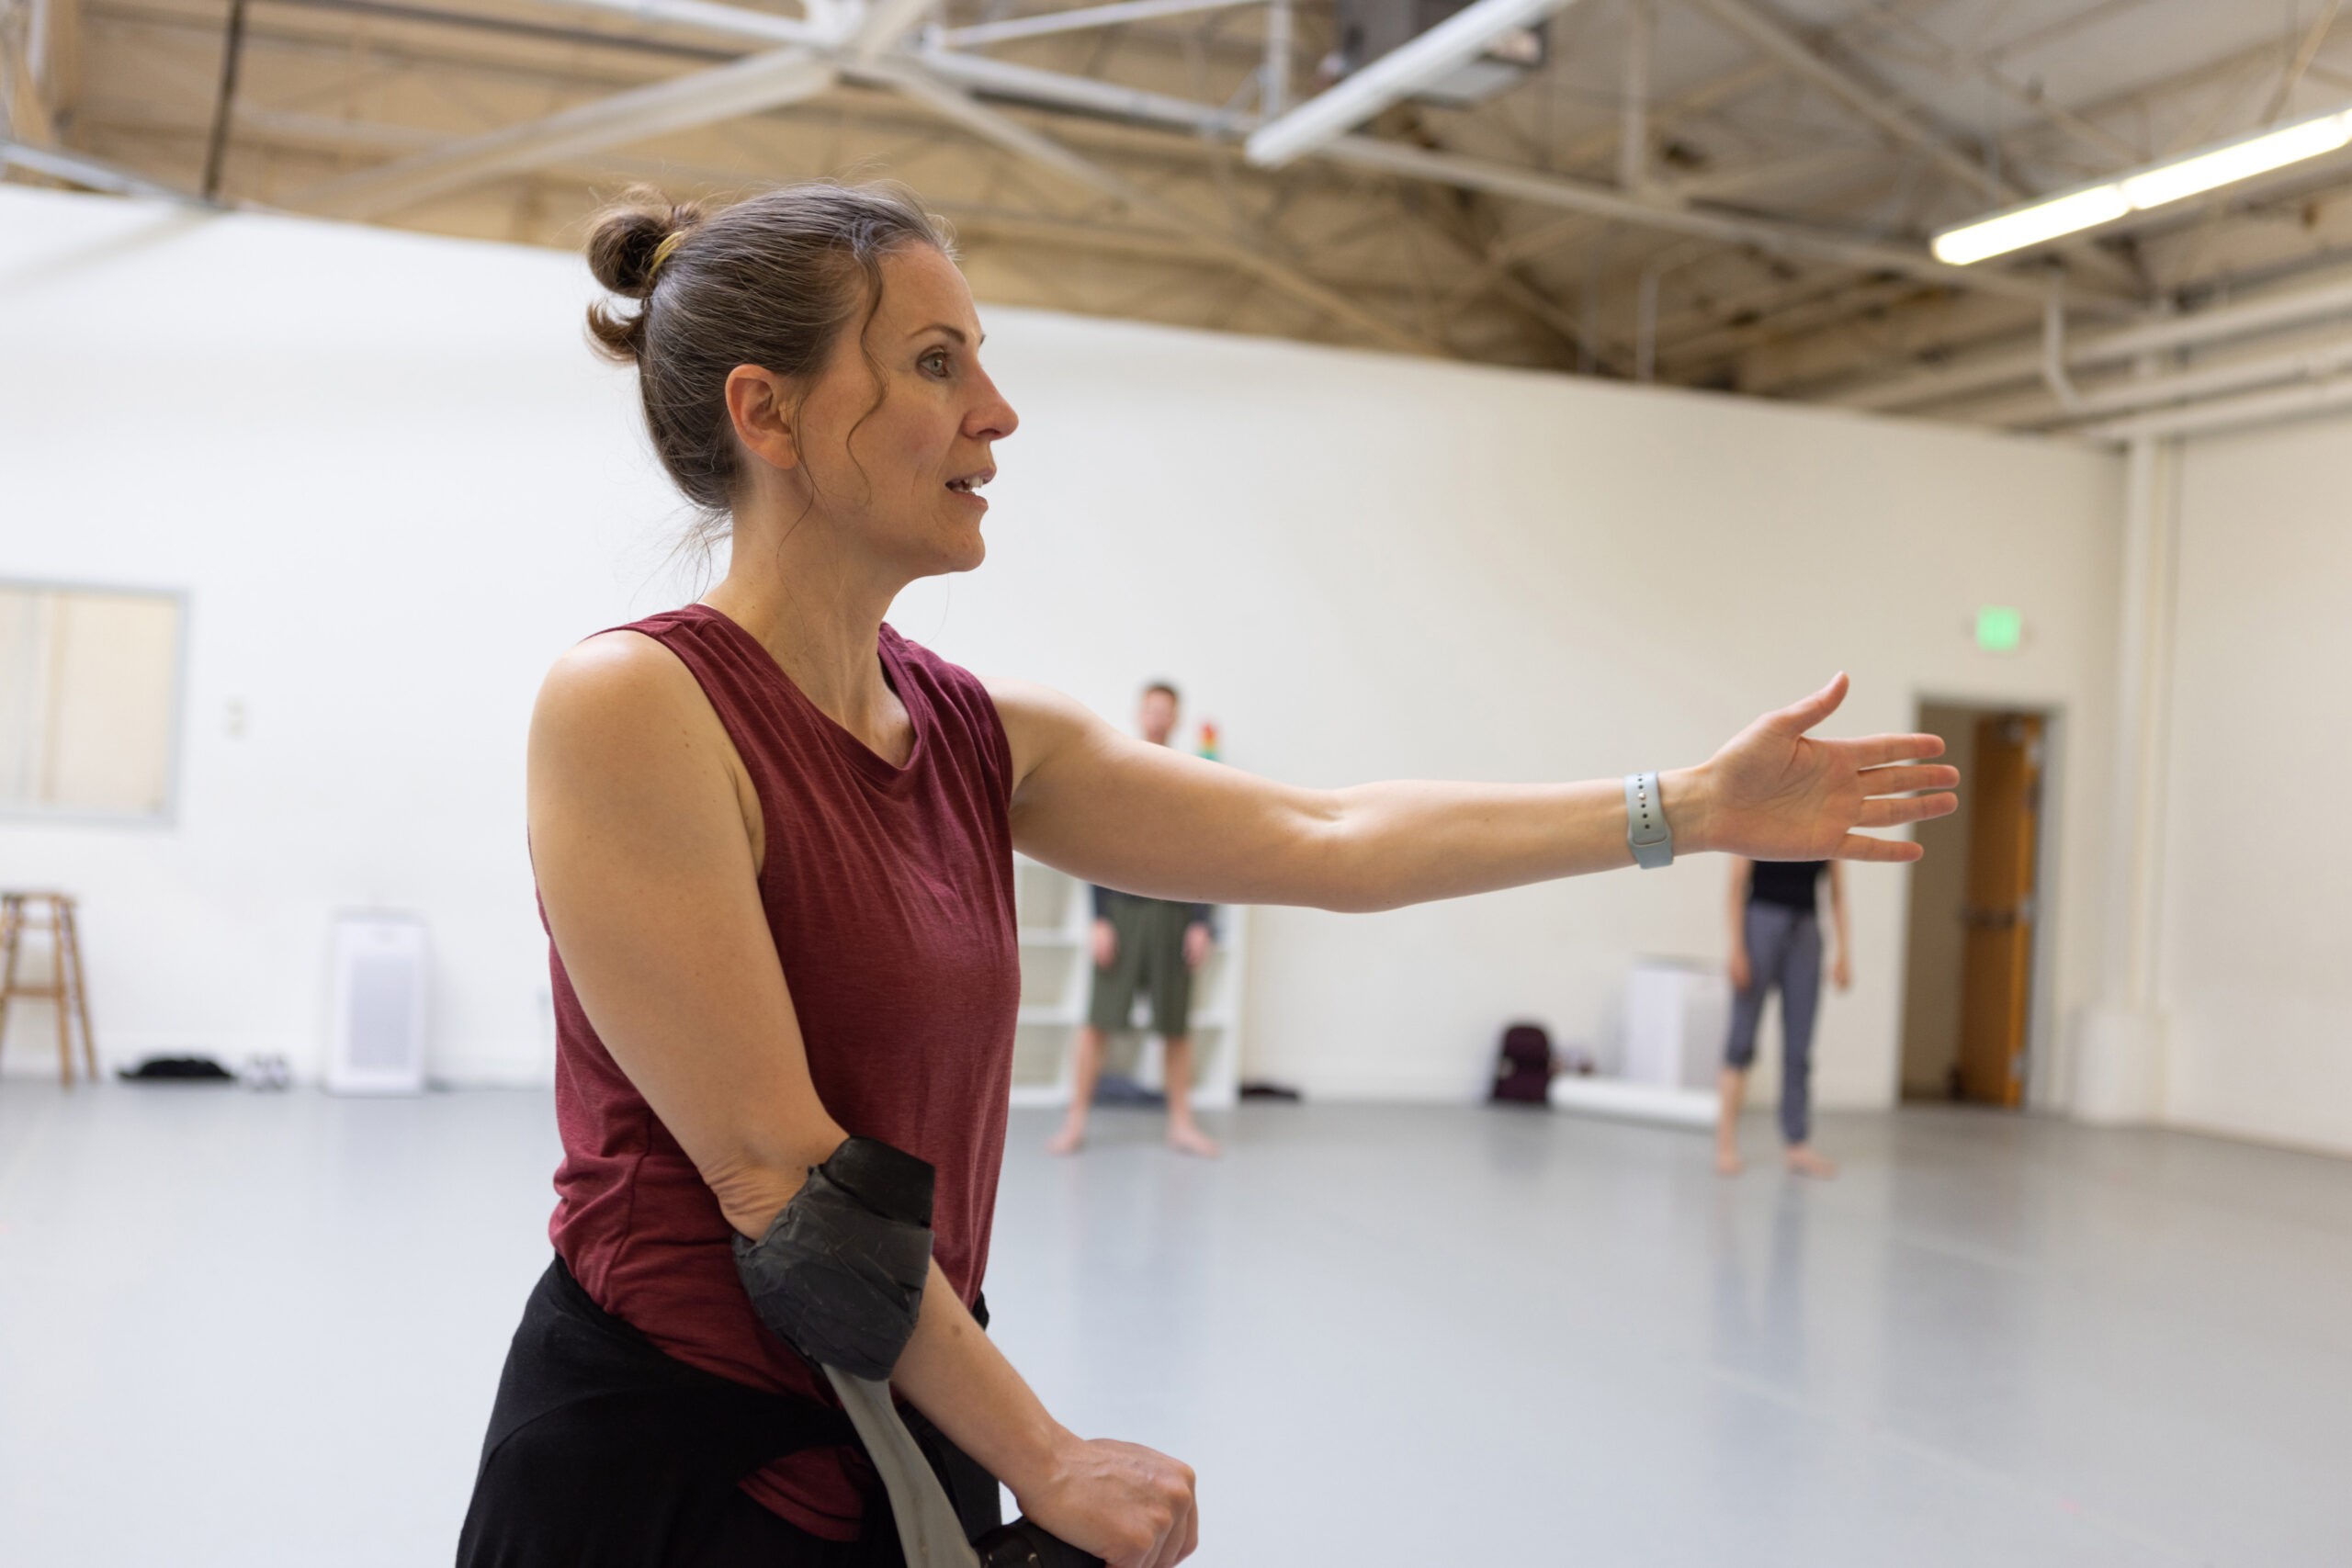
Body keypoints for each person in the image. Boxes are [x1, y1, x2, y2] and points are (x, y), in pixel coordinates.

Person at [459, 179, 1957, 1568]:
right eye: (932, 364)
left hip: (911, 1420)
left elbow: (1325, 837)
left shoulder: (981, 733)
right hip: (674, 1474)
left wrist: (1685, 806)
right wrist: (1045, 1454)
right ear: (766, 414)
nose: (998, 410)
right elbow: (778, 1182)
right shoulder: (636, 709)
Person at [1048, 681, 1221, 1158]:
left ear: (1176, 718)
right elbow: (1096, 845)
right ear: (1140, 713)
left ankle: (1182, 1124)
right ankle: (1075, 1121)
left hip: (1176, 911)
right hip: (1122, 910)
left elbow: (1206, 854)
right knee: (1097, 1021)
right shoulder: (1117, 771)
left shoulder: (1195, 776)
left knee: (1176, 1025)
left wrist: (1203, 921)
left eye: (1167, 711)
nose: (1159, 717)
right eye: (1152, 709)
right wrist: (1099, 919)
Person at [1714, 857, 1851, 1179]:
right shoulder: (1759, 810)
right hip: (1759, 922)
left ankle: (1797, 1143)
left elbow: (1838, 894)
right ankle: (1725, 1143)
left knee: (1799, 1044)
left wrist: (1844, 951)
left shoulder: (1826, 823)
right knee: (1741, 1038)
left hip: (1805, 929)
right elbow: (1736, 887)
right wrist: (1736, 948)